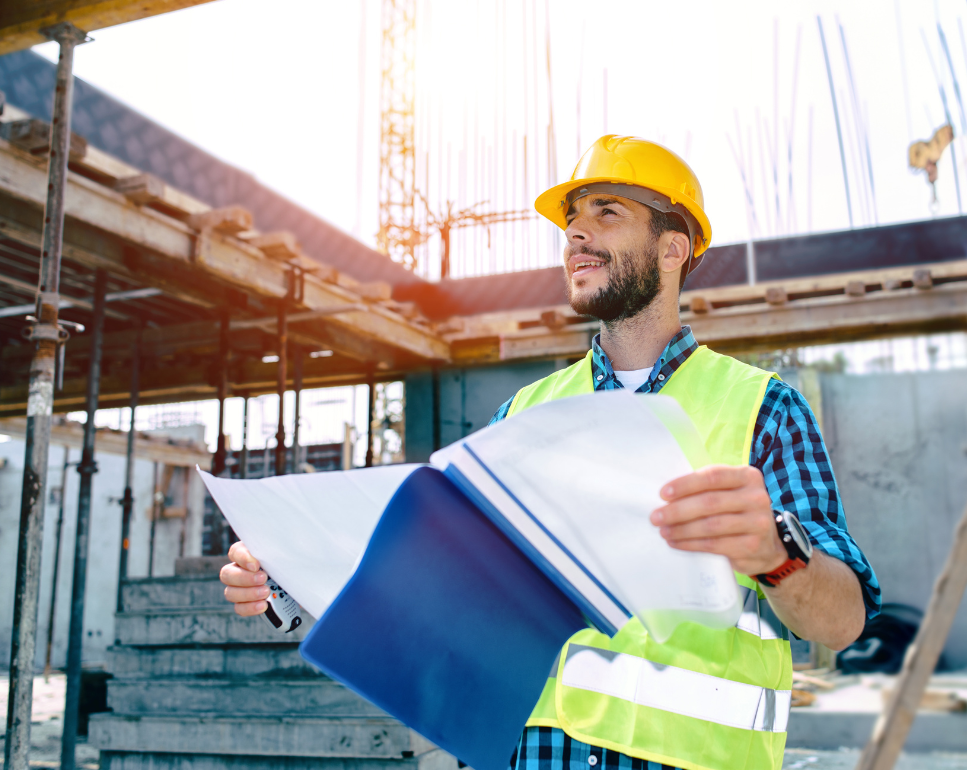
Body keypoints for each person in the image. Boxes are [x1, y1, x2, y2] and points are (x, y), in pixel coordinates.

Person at [220, 135, 881, 770]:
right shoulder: (525, 417)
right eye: (571, 219)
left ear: (673, 247)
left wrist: (774, 555)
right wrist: (293, 567)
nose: (575, 233)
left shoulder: (762, 409)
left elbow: (843, 620)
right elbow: (449, 590)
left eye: (606, 211)